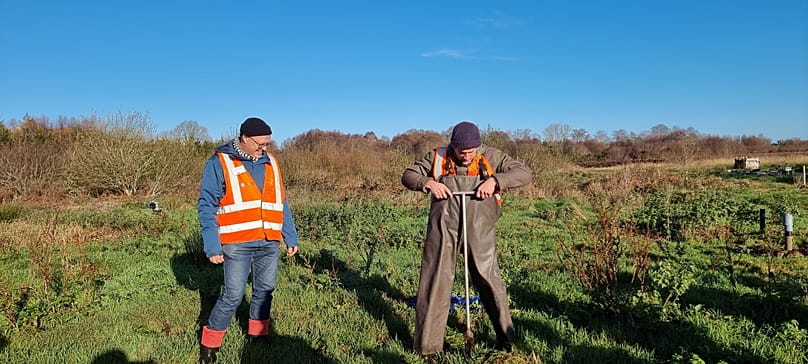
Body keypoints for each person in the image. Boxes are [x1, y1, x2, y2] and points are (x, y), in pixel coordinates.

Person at [401, 121, 532, 356]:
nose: (467, 156)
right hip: (443, 227)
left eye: (471, 151)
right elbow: (408, 175)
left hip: (480, 228)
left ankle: (506, 341)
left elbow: (524, 173)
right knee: (435, 280)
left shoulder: (492, 156)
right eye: (462, 152)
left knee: (489, 278)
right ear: (453, 146)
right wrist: (427, 183)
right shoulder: (437, 157)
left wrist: (496, 181)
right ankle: (427, 349)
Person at [196, 117, 300, 363]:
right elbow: (206, 205)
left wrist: (290, 235)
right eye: (259, 143)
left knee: (265, 290)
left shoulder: (271, 162)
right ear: (244, 138)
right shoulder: (219, 162)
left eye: (267, 144)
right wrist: (212, 245)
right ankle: (209, 347)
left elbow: (281, 201)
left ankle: (258, 336)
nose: (263, 148)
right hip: (237, 243)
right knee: (232, 296)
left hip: (269, 241)